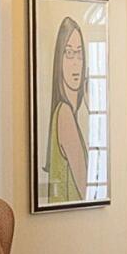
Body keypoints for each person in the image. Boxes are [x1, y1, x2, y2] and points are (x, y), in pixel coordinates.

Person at [41, 13, 92, 203]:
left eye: (79, 54)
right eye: (69, 53)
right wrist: (92, 110)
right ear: (59, 60)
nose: (76, 62)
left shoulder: (66, 113)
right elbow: (86, 189)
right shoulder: (64, 115)